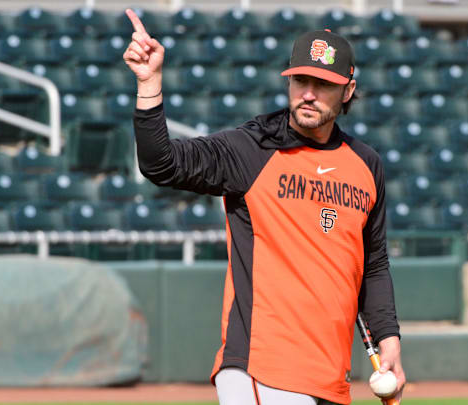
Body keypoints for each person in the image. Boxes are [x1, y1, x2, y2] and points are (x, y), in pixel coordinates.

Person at [123, 8, 405, 405]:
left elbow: (372, 263)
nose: (308, 93)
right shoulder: (252, 150)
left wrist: (389, 339)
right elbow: (161, 164)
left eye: (323, 84)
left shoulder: (365, 164)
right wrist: (149, 84)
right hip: (261, 368)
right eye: (300, 80)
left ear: (348, 91)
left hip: (328, 377)